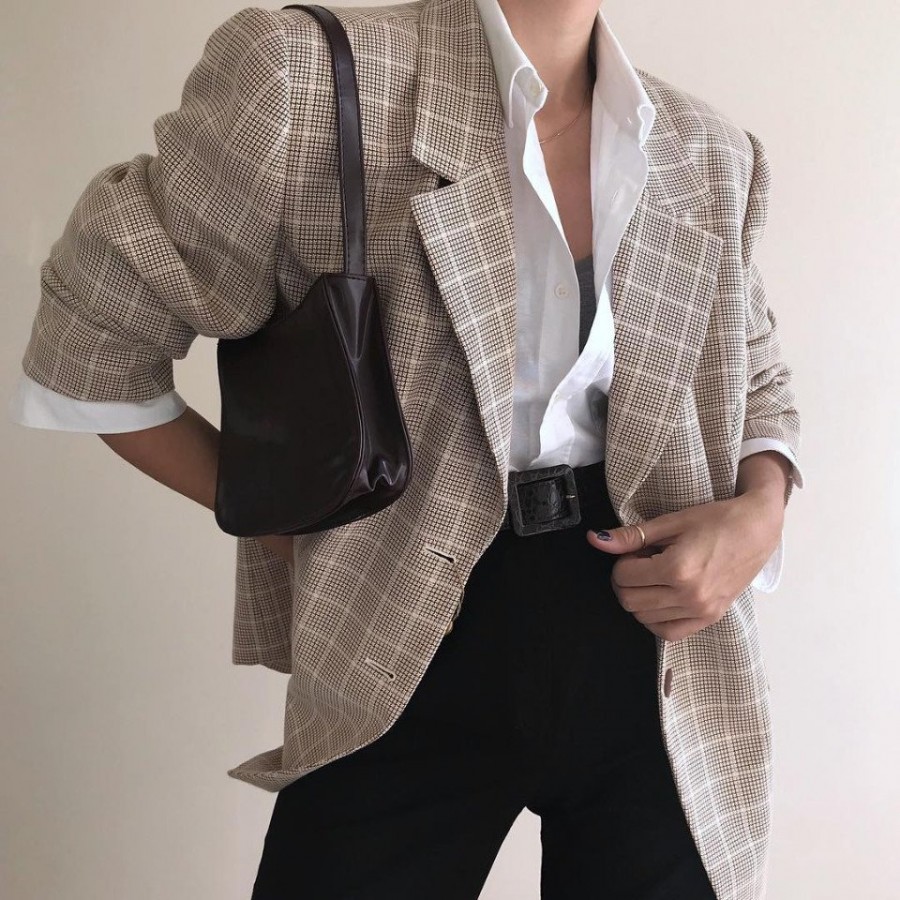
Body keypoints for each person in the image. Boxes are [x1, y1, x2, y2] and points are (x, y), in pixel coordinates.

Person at [8, 0, 804, 897]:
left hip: (662, 657)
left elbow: (756, 377)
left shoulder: (708, 150)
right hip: (405, 637)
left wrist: (760, 512)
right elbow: (92, 343)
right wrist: (289, 523)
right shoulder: (306, 79)